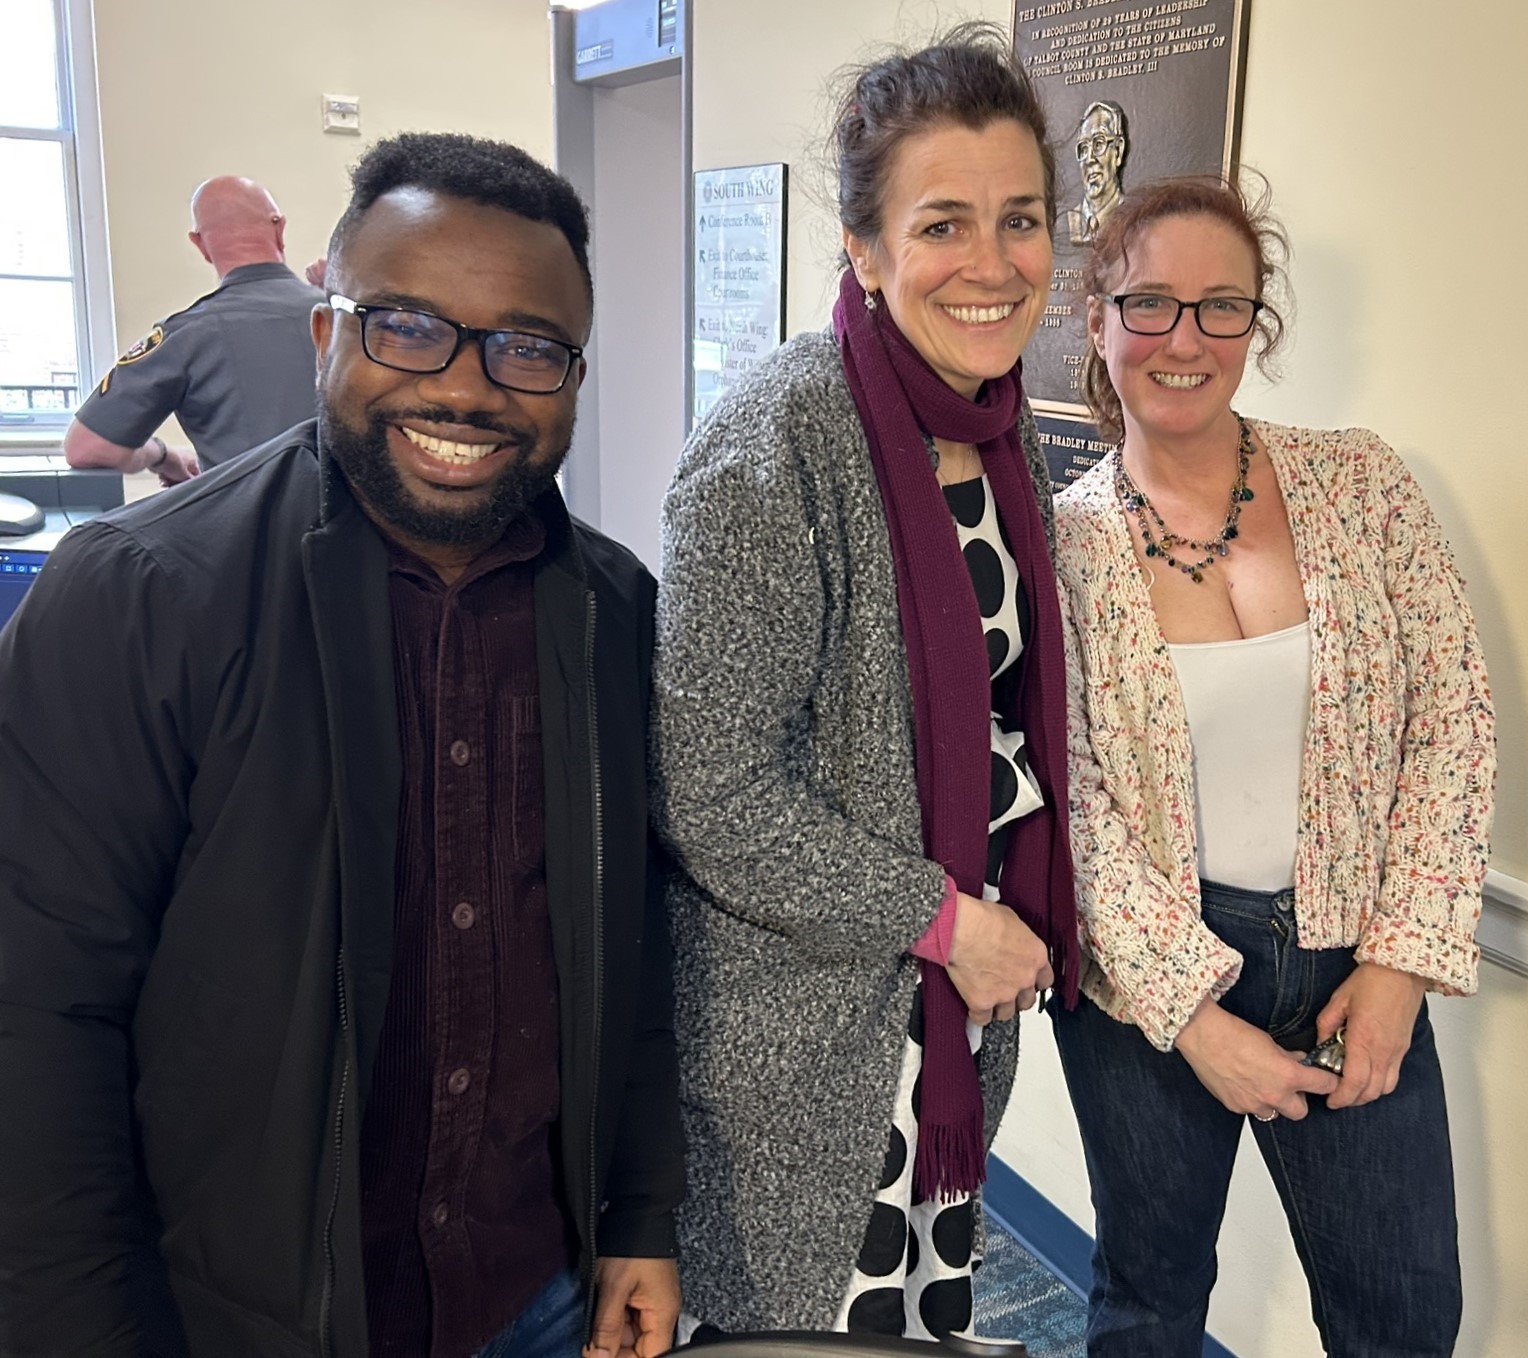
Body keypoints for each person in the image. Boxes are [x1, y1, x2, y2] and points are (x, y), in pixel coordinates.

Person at [0, 133, 684, 1358]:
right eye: (407, 326)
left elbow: (625, 944)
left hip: (540, 1293)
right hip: (241, 1316)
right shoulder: (141, 598)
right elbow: (36, 1021)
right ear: (327, 336)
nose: (466, 388)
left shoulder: (612, 609)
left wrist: (635, 1211)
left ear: (574, 377)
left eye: (527, 346)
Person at [652, 25, 1082, 1342]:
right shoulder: (776, 442)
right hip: (799, 1049)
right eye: (942, 223)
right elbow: (712, 791)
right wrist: (947, 921)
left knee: (907, 1319)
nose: (991, 263)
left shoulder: (995, 435)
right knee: (799, 1330)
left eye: (1020, 220)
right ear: (863, 247)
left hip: (942, 1018)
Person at [1049, 175, 1496, 1356]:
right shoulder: (1060, 545)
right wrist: (1194, 1018)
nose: (1184, 340)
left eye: (1222, 307)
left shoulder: (1361, 482)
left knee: (1401, 1314)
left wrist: (1398, 964)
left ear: (1257, 322)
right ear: (1096, 318)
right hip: (1147, 989)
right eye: (1150, 303)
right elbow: (1072, 804)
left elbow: (1451, 718)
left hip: (1355, 960)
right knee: (1147, 1303)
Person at [63, 175, 321, 482]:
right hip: (360, 513)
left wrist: (161, 455)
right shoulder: (347, 315)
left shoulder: (187, 334)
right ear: (279, 229)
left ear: (200, 244)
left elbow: (86, 448)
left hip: (249, 513)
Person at [1064, 101, 1127, 246]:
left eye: (1099, 144)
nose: (1089, 159)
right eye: (1084, 149)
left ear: (1118, 151)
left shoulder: (1130, 217)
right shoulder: (1073, 220)